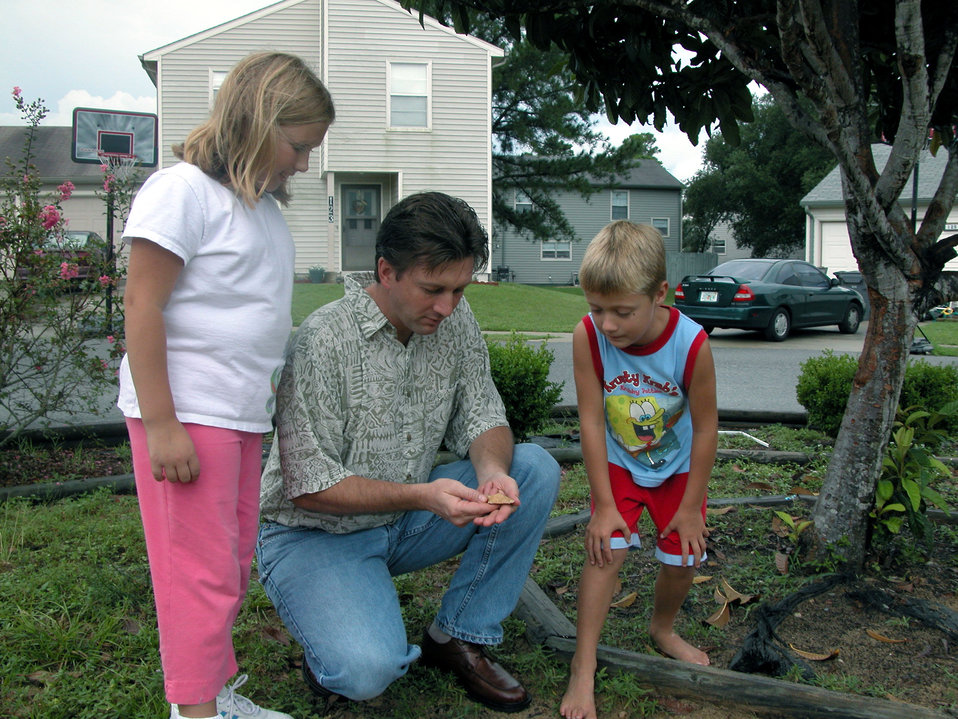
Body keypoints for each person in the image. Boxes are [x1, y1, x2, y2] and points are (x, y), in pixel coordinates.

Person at [256, 191, 560, 713]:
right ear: (386, 271)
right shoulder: (322, 340)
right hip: (314, 535)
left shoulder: (454, 322)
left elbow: (483, 412)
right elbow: (306, 486)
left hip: (406, 520)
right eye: (433, 289)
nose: (448, 307)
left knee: (533, 469)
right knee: (367, 671)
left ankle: (458, 635)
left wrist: (492, 472)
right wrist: (422, 495)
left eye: (459, 289)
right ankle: (332, 637)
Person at [117, 52, 334, 719]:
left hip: (240, 416)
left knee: (231, 564)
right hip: (189, 414)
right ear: (257, 122)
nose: (305, 164)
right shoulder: (180, 192)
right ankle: (194, 712)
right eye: (298, 146)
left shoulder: (259, 208)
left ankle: (209, 695)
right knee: (198, 575)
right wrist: (162, 424)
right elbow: (142, 304)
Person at [560, 221, 718, 719]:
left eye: (622, 312)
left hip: (677, 470)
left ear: (659, 294)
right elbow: (590, 420)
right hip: (619, 465)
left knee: (683, 557)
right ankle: (583, 665)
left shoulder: (691, 344)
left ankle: (662, 628)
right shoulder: (588, 337)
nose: (608, 324)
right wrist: (604, 505)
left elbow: (706, 428)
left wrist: (690, 508)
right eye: (596, 308)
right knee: (604, 551)